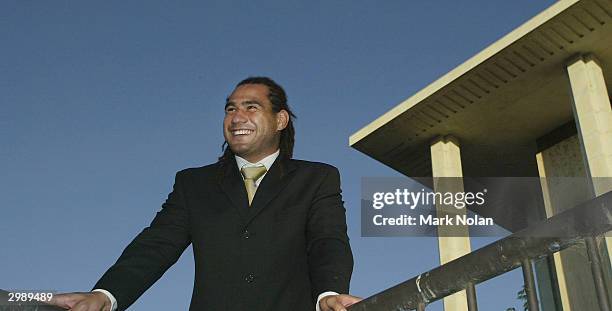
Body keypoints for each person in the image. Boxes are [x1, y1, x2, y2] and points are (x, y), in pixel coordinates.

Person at [49, 77, 361, 311]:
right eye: (230, 109)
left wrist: (328, 293)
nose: (237, 117)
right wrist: (106, 294)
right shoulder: (193, 184)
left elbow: (328, 241)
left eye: (252, 107)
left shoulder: (317, 178)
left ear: (280, 119)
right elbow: (156, 245)